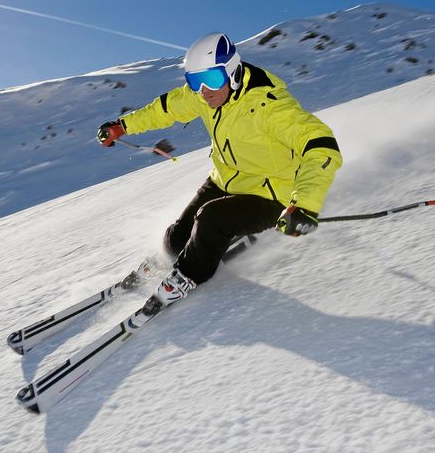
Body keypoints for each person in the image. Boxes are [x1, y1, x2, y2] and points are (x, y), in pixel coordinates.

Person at [97, 32, 342, 311]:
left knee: (211, 218)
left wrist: (304, 204)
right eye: (194, 80)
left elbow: (322, 146)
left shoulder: (268, 106)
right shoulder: (203, 96)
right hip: (224, 180)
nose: (204, 90)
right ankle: (171, 258)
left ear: (233, 72)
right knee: (174, 239)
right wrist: (122, 126)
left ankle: (188, 276)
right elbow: (165, 109)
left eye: (212, 79)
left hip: (272, 193)